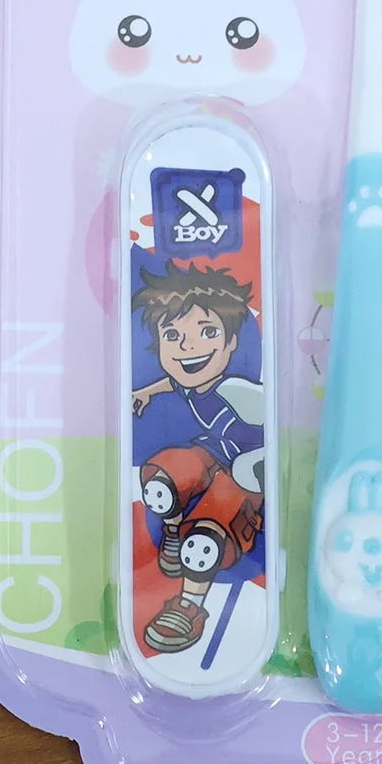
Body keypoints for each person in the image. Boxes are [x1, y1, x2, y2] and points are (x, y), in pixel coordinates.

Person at [130, 260, 264, 653]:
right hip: (212, 450)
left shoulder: (237, 391)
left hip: (246, 472)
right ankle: (172, 530)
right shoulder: (192, 382)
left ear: (231, 342)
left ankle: (189, 605)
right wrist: (146, 393)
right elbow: (173, 383)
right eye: (172, 335)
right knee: (163, 477)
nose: (188, 347)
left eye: (208, 332)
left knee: (205, 538)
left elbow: (267, 417)